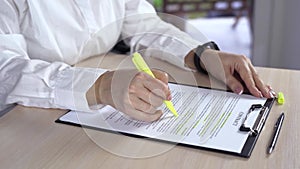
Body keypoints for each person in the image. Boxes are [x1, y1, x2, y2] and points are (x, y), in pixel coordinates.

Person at [0, 0, 274, 122]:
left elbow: (143, 23)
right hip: (25, 115)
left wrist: (202, 55)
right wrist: (98, 86)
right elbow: (5, 69)